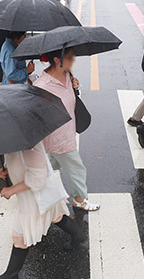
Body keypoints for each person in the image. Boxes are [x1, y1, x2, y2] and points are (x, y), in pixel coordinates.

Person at [0, 141, 84, 279]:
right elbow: (19, 161)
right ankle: (78, 235)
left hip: (34, 199)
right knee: (55, 215)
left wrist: (11, 189)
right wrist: (6, 168)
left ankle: (11, 276)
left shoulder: (29, 146)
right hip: (36, 196)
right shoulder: (16, 138)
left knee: (19, 238)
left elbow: (38, 180)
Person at [33, 49, 100, 212]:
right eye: (69, 57)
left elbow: (70, 98)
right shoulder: (42, 86)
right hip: (58, 137)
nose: (73, 60)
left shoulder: (67, 74)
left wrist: (76, 84)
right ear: (57, 60)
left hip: (68, 130)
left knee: (50, 166)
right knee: (77, 169)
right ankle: (79, 199)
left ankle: (35, 192)